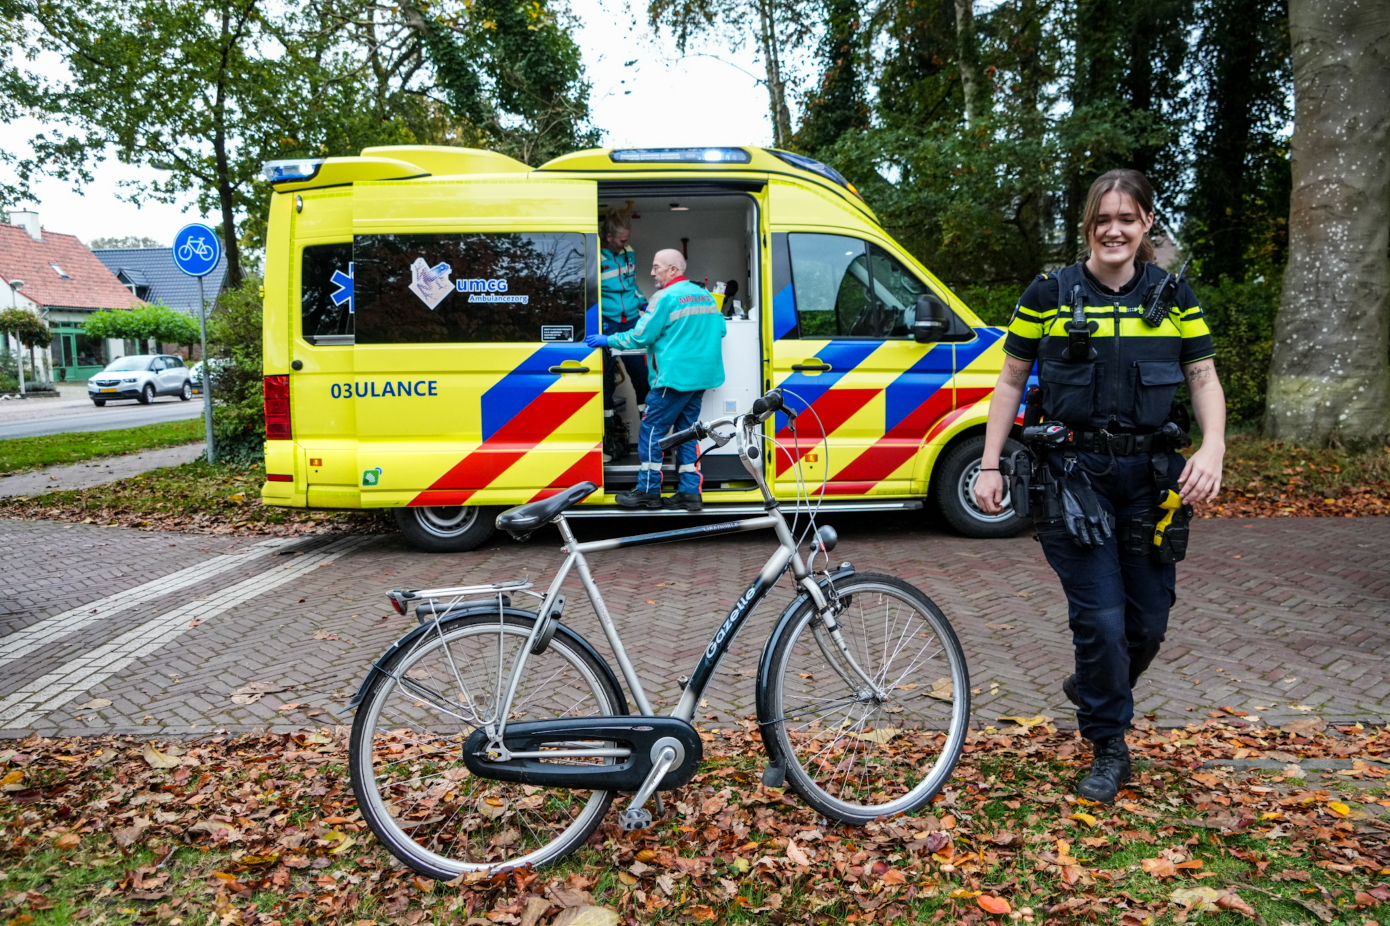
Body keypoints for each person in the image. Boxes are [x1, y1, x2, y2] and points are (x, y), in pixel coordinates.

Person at [973, 168, 1227, 804]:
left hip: (1151, 483)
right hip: (1073, 479)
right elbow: (1010, 381)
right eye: (1101, 219)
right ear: (1087, 226)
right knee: (1103, 623)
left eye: (1127, 218)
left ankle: (1094, 686)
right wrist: (990, 463)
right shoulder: (1048, 294)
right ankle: (1109, 742)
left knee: (1149, 624)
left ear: (1145, 225)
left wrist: (1215, 447)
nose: (1113, 230)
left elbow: (1202, 378)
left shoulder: (1174, 295)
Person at [585, 248, 726, 510]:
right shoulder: (706, 296)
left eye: (656, 267)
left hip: (672, 380)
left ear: (673, 269)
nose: (652, 273)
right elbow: (721, 329)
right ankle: (690, 492)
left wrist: (608, 340)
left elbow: (640, 337)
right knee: (687, 432)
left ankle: (648, 491)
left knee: (651, 432)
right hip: (701, 379)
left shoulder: (664, 297)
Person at [598, 212, 650, 456]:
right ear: (609, 237)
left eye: (627, 240)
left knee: (642, 378)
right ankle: (608, 438)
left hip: (632, 321)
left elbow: (631, 284)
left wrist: (644, 303)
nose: (625, 244)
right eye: (621, 240)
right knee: (606, 383)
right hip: (607, 323)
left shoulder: (629, 253)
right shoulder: (595, 256)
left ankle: (649, 438)